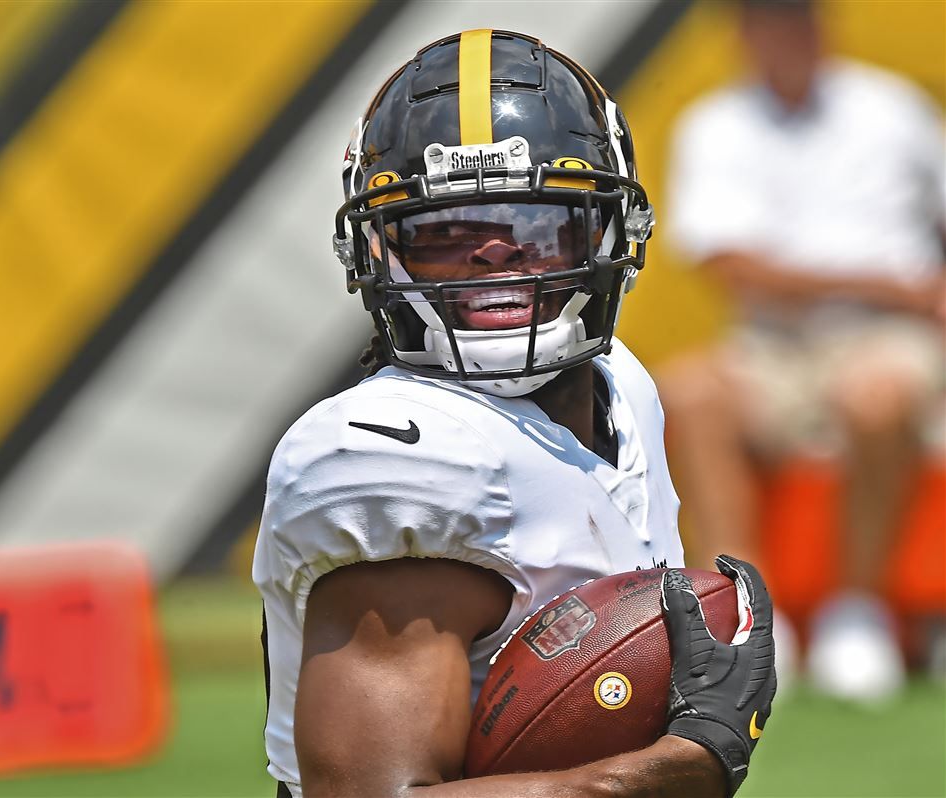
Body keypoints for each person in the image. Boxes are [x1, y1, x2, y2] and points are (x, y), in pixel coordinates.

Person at [252, 29, 777, 797]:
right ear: (375, 251)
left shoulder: (622, 383)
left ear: (615, 230)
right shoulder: (390, 456)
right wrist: (672, 769)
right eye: (443, 233)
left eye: (538, 224)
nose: (494, 256)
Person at [661, 0, 945, 703]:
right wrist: (883, 283)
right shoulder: (714, 125)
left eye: (797, 15)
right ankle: (751, 616)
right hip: (771, 343)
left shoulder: (894, 109)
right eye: (770, 18)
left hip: (886, 336)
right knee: (688, 391)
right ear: (746, 32)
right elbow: (729, 262)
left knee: (877, 396)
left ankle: (859, 612)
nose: (787, 31)